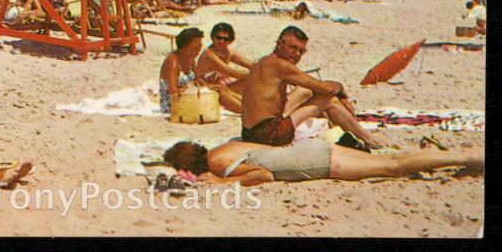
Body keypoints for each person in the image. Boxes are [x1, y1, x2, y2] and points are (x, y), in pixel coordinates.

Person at [240, 25, 376, 147]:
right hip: (268, 135)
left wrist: (331, 92)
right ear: (280, 44)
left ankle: (337, 127)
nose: (297, 54)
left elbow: (311, 86)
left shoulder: (265, 61)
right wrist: (340, 88)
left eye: (301, 51)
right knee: (328, 100)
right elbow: (326, 88)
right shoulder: (282, 66)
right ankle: (370, 140)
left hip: (248, 132)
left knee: (304, 90)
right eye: (293, 48)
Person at [163, 139, 483, 186]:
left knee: (393, 168)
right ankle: (458, 156)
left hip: (315, 162)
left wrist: (223, 182)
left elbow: (264, 175)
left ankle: (466, 157)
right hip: (313, 148)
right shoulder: (226, 146)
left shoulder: (218, 166)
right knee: (392, 160)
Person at [195, 23, 254, 113]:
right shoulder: (209, 55)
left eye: (226, 39)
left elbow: (253, 65)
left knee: (249, 80)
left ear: (231, 41)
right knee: (222, 92)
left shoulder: (228, 52)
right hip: (203, 90)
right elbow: (234, 73)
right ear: (213, 37)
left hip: (218, 87)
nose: (222, 41)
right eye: (219, 38)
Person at [159, 27, 204, 113]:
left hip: (187, 97)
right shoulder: (172, 62)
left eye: (200, 47)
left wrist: (208, 86)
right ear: (184, 46)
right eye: (196, 47)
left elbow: (198, 79)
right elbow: (173, 92)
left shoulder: (190, 59)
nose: (199, 50)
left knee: (221, 92)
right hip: (172, 105)